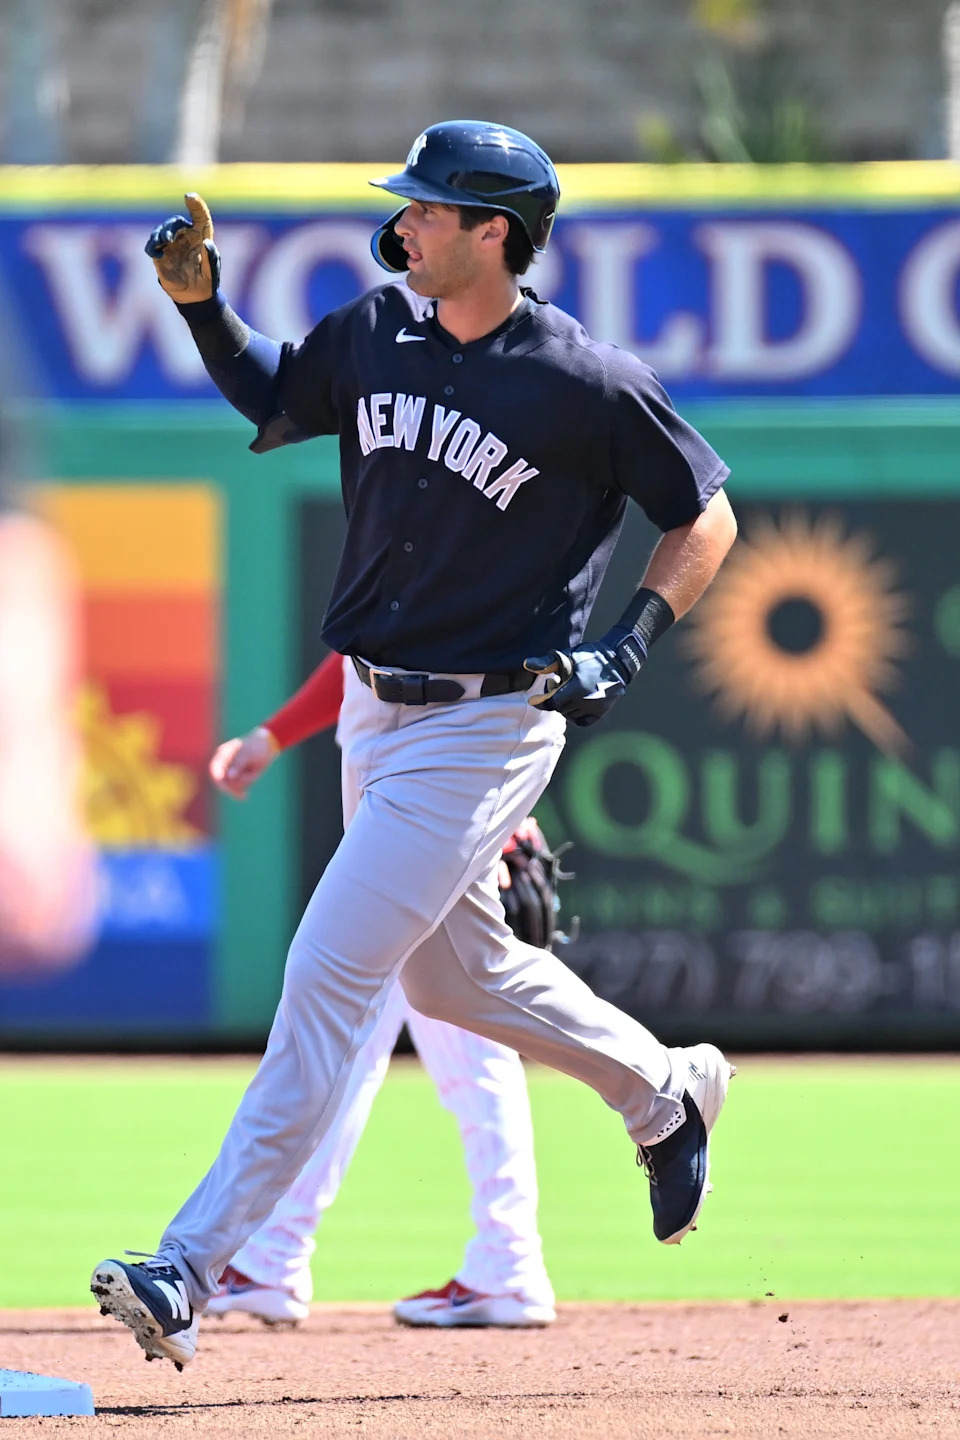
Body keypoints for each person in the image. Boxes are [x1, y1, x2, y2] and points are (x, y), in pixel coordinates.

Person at [91, 119, 738, 1371]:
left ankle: (193, 1262)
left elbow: (702, 515)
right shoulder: (376, 329)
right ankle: (666, 1091)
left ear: (496, 233)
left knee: (331, 974)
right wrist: (203, 310)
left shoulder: (582, 381)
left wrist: (634, 640)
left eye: (434, 208)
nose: (408, 222)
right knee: (451, 983)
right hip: (373, 711)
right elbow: (278, 395)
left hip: (493, 720)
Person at [206, 650, 559, 1328]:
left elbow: (518, 645)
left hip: (439, 809)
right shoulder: (402, 576)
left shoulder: (453, 551)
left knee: (424, 1043)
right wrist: (273, 734)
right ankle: (275, 1257)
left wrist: (506, 797)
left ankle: (507, 1262)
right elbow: (362, 656)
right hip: (416, 810)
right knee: (365, 1041)